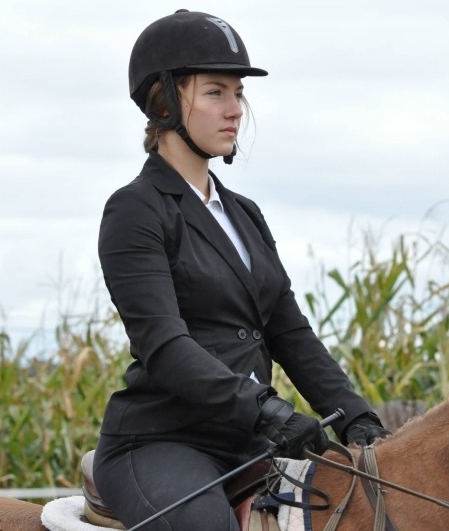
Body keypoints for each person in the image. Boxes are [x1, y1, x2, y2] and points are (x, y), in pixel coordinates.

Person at [93, 10, 390, 531]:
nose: (236, 110)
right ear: (165, 100)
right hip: (164, 441)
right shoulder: (136, 210)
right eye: (215, 93)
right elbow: (164, 346)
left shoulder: (244, 213)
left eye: (238, 94)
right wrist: (267, 410)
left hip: (249, 441)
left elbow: (289, 331)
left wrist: (356, 417)